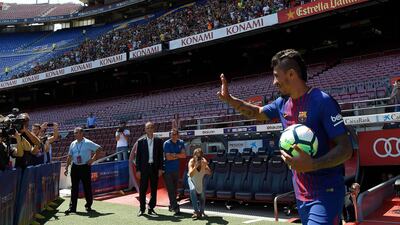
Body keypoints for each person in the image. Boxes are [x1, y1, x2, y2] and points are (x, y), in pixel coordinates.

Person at [218, 49, 353, 225]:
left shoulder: (322, 101)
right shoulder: (282, 103)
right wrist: (230, 100)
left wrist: (313, 164)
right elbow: (257, 113)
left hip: (326, 192)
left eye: (276, 76)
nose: (274, 82)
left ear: (291, 74)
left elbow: (346, 149)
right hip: (300, 194)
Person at [64, 127, 102, 214]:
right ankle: (72, 208)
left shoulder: (88, 142)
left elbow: (99, 148)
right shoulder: (72, 144)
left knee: (87, 187)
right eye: (74, 133)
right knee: (74, 188)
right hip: (75, 167)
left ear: (81, 133)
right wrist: (66, 167)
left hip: (85, 167)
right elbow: (69, 156)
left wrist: (92, 159)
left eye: (76, 133)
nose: (74, 134)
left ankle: (88, 206)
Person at [135, 122, 164, 216]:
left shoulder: (159, 141)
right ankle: (142, 209)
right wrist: (138, 170)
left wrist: (160, 168)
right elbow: (137, 158)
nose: (150, 129)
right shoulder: (140, 142)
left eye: (151, 127)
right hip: (144, 169)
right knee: (142, 189)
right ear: (145, 129)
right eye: (148, 127)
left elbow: (160, 156)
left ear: (154, 129)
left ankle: (151, 208)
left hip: (154, 168)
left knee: (154, 189)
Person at [163, 129, 186, 215]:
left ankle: (171, 205)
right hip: (167, 170)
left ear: (178, 135)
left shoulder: (181, 142)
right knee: (170, 189)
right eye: (172, 134)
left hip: (176, 169)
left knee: (175, 189)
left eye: (175, 134)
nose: (173, 135)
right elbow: (168, 157)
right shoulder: (166, 143)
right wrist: (178, 155)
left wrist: (174, 155)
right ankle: (175, 207)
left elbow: (184, 155)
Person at [187, 148, 212, 220]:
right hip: (192, 178)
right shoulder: (191, 161)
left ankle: (201, 211)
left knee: (202, 194)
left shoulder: (203, 161)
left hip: (200, 178)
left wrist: (205, 167)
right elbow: (191, 174)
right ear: (193, 155)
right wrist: (195, 167)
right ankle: (196, 211)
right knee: (192, 190)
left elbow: (209, 172)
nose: (198, 157)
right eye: (196, 155)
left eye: (199, 155)